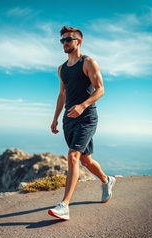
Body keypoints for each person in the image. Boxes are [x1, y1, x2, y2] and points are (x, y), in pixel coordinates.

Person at [48, 26, 116, 220]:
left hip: (87, 117)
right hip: (69, 119)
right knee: (85, 159)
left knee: (73, 156)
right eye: (62, 40)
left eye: (69, 39)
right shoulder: (61, 69)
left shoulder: (88, 62)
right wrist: (54, 118)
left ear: (79, 41)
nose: (65, 43)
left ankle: (64, 205)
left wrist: (83, 106)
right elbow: (62, 94)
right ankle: (106, 180)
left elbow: (101, 89)